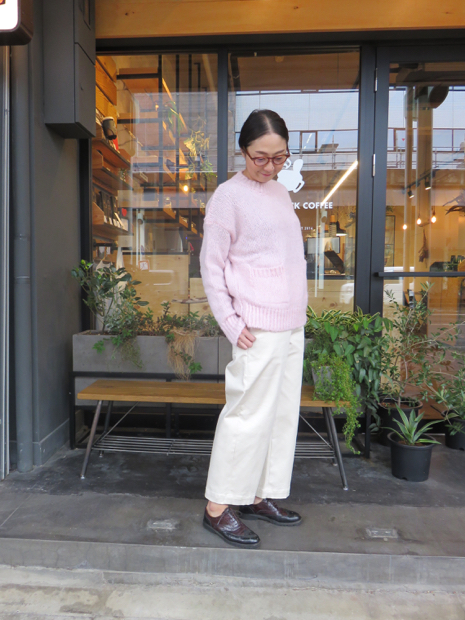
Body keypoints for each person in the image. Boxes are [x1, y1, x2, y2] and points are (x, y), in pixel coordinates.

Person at [199, 109, 308, 548]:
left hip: (290, 324)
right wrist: (230, 321)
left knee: (280, 417)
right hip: (256, 326)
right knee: (245, 417)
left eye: (279, 158)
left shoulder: (280, 193)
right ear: (243, 151)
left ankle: (259, 494)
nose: (269, 166)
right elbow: (211, 267)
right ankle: (217, 507)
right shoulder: (228, 197)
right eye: (260, 157)